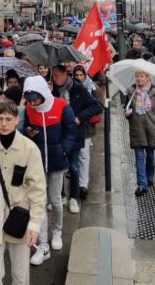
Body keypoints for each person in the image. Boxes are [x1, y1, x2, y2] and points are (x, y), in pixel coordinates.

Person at [0, 101, 46, 285]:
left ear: (17, 119)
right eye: (0, 119)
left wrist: (35, 225)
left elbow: (38, 190)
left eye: (8, 119)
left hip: (19, 220)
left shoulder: (29, 149)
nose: (4, 123)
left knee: (20, 277)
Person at [23, 75, 76, 265]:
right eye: (29, 99)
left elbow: (71, 131)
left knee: (55, 199)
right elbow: (25, 127)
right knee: (39, 201)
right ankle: (42, 244)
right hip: (37, 162)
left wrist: (64, 151)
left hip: (57, 159)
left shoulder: (61, 105)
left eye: (35, 98)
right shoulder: (30, 108)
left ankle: (57, 231)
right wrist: (28, 131)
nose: (33, 102)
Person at [50, 64, 102, 213]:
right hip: (58, 133)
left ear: (65, 74)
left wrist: (80, 117)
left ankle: (74, 197)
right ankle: (61, 195)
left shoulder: (78, 88)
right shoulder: (52, 90)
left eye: (57, 75)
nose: (54, 78)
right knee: (59, 166)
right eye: (53, 75)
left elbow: (96, 106)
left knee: (73, 166)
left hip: (74, 133)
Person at [124, 70, 155, 196]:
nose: (139, 79)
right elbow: (127, 107)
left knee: (150, 156)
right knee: (139, 157)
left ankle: (149, 177)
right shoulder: (131, 91)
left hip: (151, 128)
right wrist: (128, 114)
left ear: (147, 78)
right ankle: (142, 184)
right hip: (137, 127)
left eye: (142, 76)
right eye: (137, 76)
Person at [72, 64, 104, 199]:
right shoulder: (70, 88)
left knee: (84, 156)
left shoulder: (92, 87)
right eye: (77, 75)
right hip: (72, 127)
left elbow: (100, 105)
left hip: (86, 126)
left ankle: (83, 184)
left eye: (81, 75)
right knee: (74, 156)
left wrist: (84, 115)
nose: (79, 78)